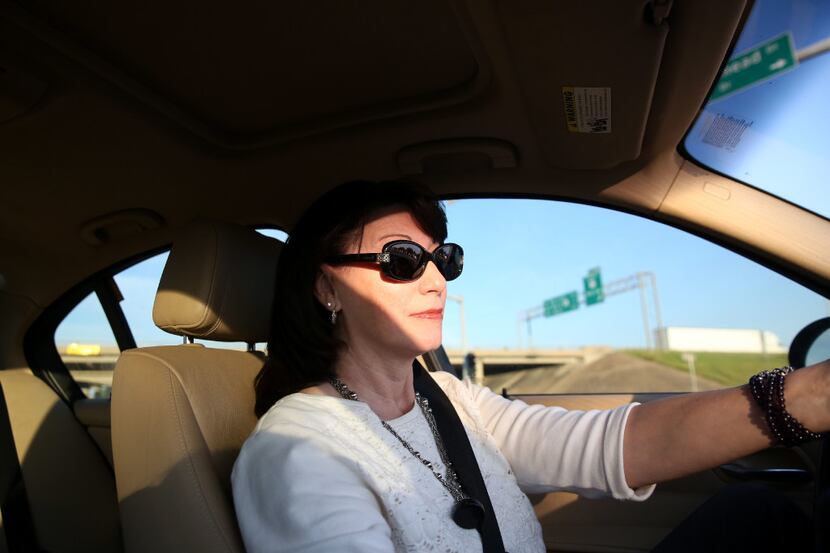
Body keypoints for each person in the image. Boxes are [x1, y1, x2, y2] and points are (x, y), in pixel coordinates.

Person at [231, 179, 829, 553]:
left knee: (756, 513)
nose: (436, 278)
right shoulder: (299, 450)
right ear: (325, 288)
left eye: (445, 259)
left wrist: (805, 398)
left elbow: (605, 445)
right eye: (403, 259)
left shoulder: (447, 397)